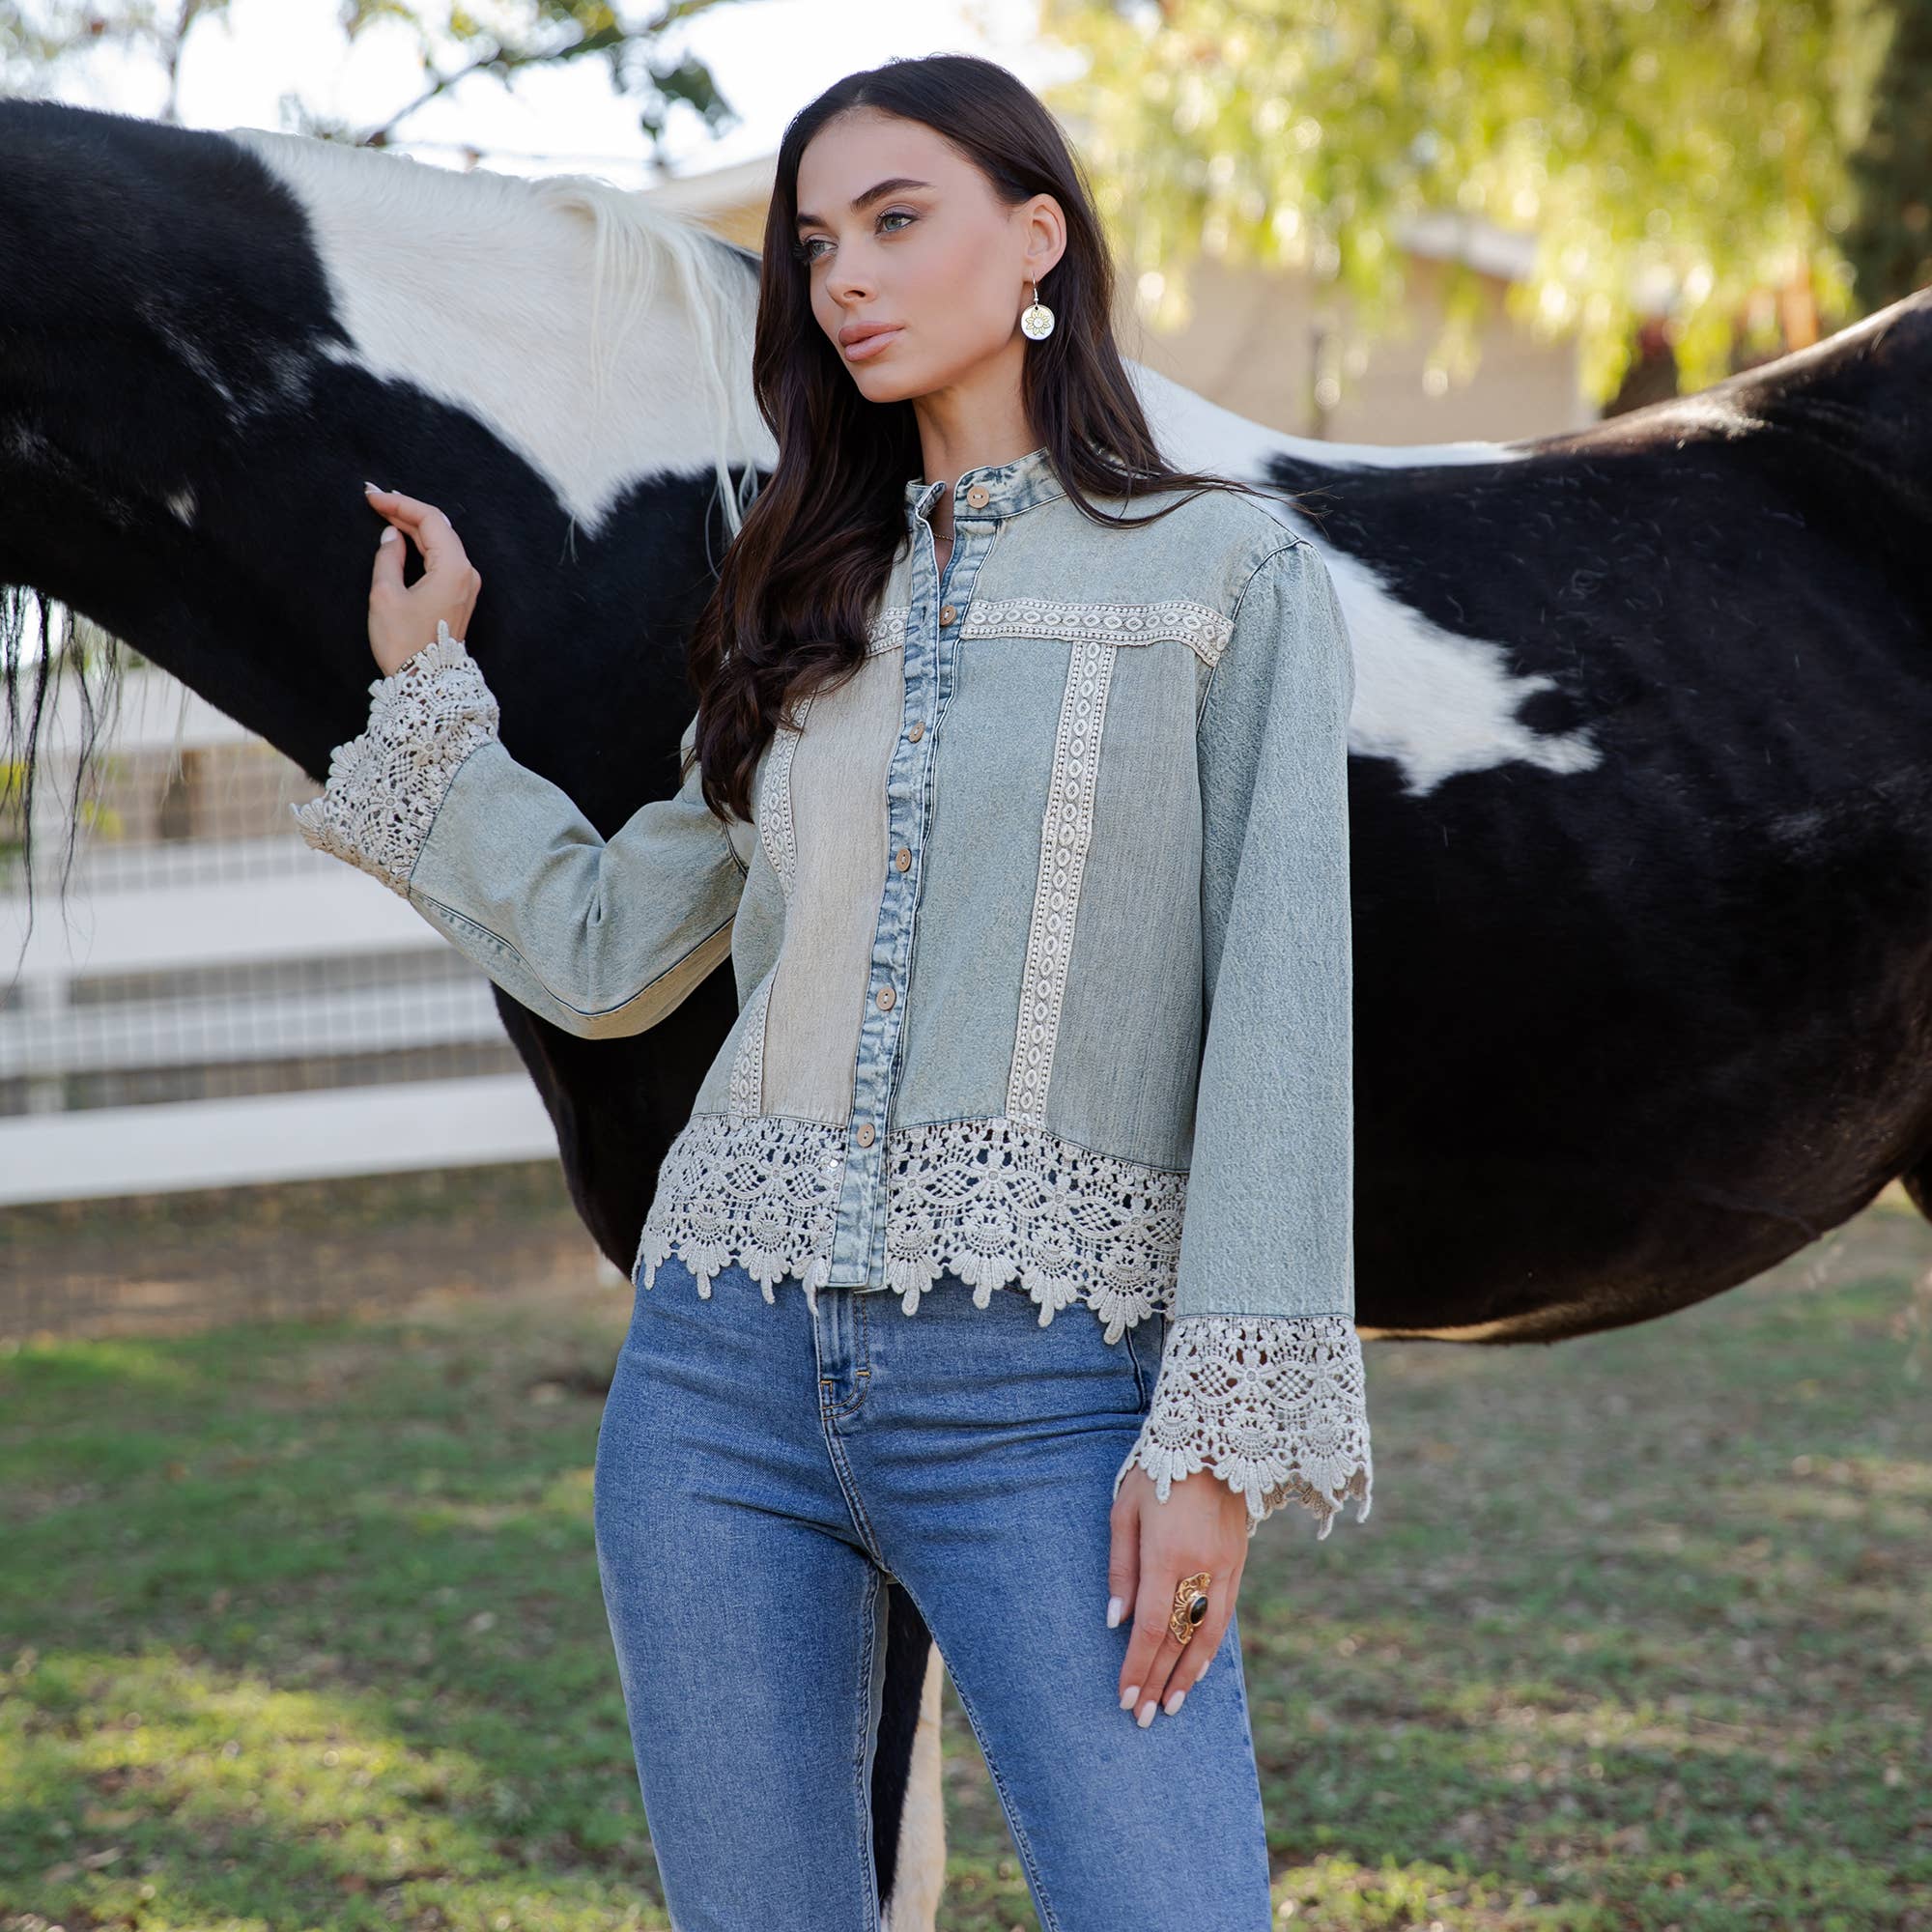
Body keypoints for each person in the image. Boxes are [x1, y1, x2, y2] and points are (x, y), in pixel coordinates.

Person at [294, 50, 1369, 1932]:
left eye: (895, 221)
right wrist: (434, 716)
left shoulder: (1226, 575)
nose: (843, 277)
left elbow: (1281, 1021)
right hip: (716, 1385)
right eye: (812, 244)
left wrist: (1211, 1446)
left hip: (1042, 1398)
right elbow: (617, 952)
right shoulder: (798, 591)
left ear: (1037, 237)